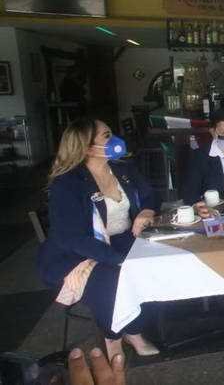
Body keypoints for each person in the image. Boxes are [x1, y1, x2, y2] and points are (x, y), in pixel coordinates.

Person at [37, 118, 160, 362]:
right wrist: (117, 259)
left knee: (154, 264)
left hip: (123, 239)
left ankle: (134, 326)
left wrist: (146, 212)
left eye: (111, 133)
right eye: (106, 136)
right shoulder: (68, 184)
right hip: (75, 253)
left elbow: (149, 195)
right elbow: (72, 237)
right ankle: (115, 337)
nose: (115, 140)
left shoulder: (123, 168)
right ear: (87, 147)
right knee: (112, 277)